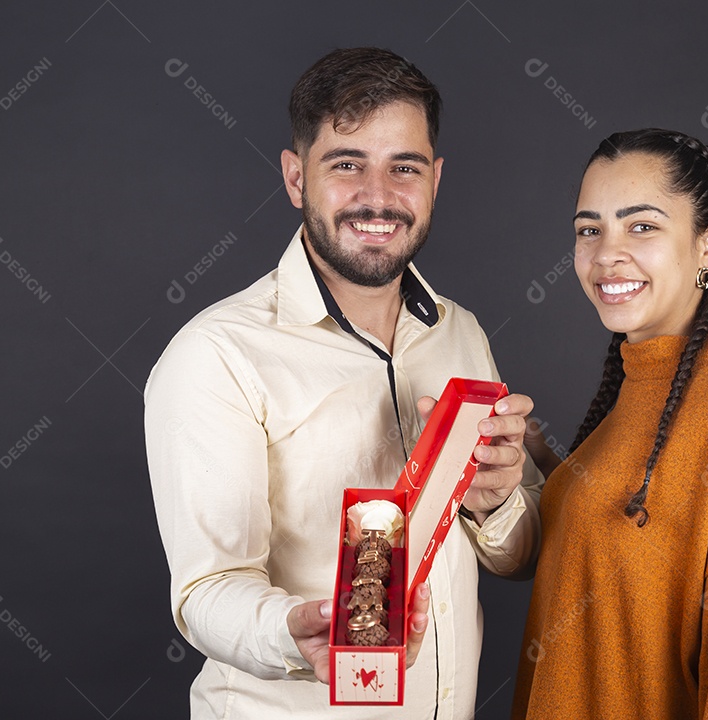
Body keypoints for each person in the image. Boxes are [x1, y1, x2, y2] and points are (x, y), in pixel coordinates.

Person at [145, 47, 541, 719]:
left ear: (435, 179)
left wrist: (497, 503)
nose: (378, 197)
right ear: (296, 177)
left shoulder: (462, 335)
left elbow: (516, 560)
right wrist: (293, 632)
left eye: (404, 167)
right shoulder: (216, 354)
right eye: (347, 164)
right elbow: (206, 590)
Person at [514, 129, 708, 718]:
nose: (607, 253)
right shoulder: (637, 387)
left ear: (707, 244)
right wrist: (545, 470)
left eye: (642, 226)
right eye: (589, 230)